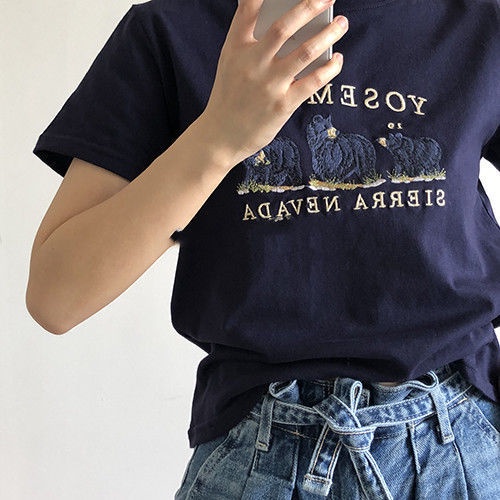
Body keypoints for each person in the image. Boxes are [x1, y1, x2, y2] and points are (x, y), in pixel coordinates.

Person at [27, 0, 500, 498]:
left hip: (460, 442)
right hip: (256, 454)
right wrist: (218, 135)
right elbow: (56, 297)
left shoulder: (477, 20)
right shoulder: (169, 29)